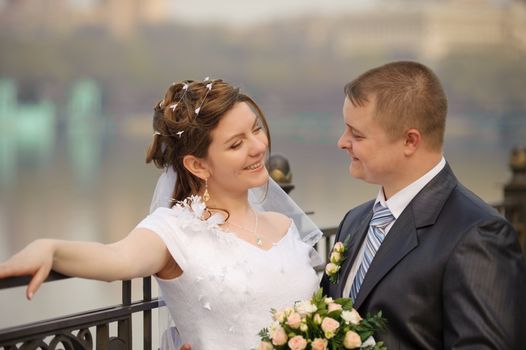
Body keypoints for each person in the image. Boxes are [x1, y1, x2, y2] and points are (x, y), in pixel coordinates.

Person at [0, 79, 323, 350]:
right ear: (198, 165)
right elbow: (115, 259)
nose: (258, 147)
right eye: (236, 144)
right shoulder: (176, 232)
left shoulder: (283, 226)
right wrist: (51, 249)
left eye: (256, 130)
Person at [320, 61, 526, 348]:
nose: (342, 142)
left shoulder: (478, 235)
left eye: (357, 134)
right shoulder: (353, 222)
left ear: (409, 141)